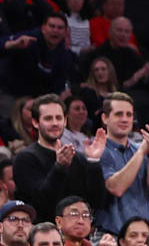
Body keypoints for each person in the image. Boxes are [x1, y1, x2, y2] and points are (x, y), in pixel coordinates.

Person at [13, 94, 107, 222]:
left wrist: (93, 162)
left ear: (65, 121)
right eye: (48, 118)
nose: (55, 123)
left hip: (79, 234)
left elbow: (97, 202)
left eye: (58, 118)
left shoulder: (78, 158)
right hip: (43, 235)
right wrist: (59, 168)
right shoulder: (25, 159)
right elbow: (41, 204)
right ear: (35, 122)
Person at [94, 92, 149, 235]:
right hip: (110, 235)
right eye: (119, 114)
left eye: (129, 115)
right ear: (105, 118)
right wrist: (141, 152)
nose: (125, 119)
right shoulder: (97, 150)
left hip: (141, 235)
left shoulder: (141, 150)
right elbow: (116, 187)